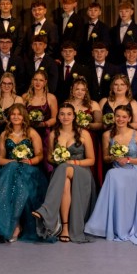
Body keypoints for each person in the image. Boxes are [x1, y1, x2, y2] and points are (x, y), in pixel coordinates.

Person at [84, 105, 137, 245]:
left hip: (134, 170)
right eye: (118, 116)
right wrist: (114, 157)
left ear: (129, 119)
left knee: (113, 175)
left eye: (124, 117)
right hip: (117, 171)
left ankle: (130, 226)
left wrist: (128, 159)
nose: (120, 119)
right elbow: (105, 158)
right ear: (114, 117)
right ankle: (113, 225)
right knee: (112, 174)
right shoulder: (107, 135)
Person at [0, 104, 46, 242]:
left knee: (18, 179)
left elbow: (40, 156)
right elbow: (0, 160)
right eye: (13, 114)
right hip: (9, 169)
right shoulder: (4, 134)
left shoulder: (31, 133)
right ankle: (15, 224)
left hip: (28, 169)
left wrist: (29, 161)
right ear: (9, 117)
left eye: (19, 114)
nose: (16, 117)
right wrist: (14, 161)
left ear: (24, 117)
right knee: (14, 171)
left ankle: (14, 223)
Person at [32, 103, 97, 243]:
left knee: (63, 167)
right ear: (58, 117)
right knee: (65, 182)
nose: (65, 117)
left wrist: (73, 162)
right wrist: (58, 159)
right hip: (62, 174)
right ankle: (65, 228)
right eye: (62, 114)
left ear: (74, 116)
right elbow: (49, 158)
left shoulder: (84, 133)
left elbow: (92, 160)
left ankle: (46, 210)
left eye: (69, 114)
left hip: (82, 172)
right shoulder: (53, 134)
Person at [23, 70, 58, 170]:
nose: (38, 83)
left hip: (45, 133)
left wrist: (44, 124)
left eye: (41, 80)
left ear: (45, 82)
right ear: (32, 81)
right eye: (35, 80)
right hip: (28, 133)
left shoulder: (51, 97)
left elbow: (54, 118)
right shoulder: (25, 97)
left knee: (45, 163)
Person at [25, 34, 59, 99]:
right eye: (35, 44)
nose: (37, 47)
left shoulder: (51, 63)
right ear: (32, 46)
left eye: (40, 44)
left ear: (45, 46)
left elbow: (53, 85)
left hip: (45, 97)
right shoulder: (27, 61)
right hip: (29, 96)